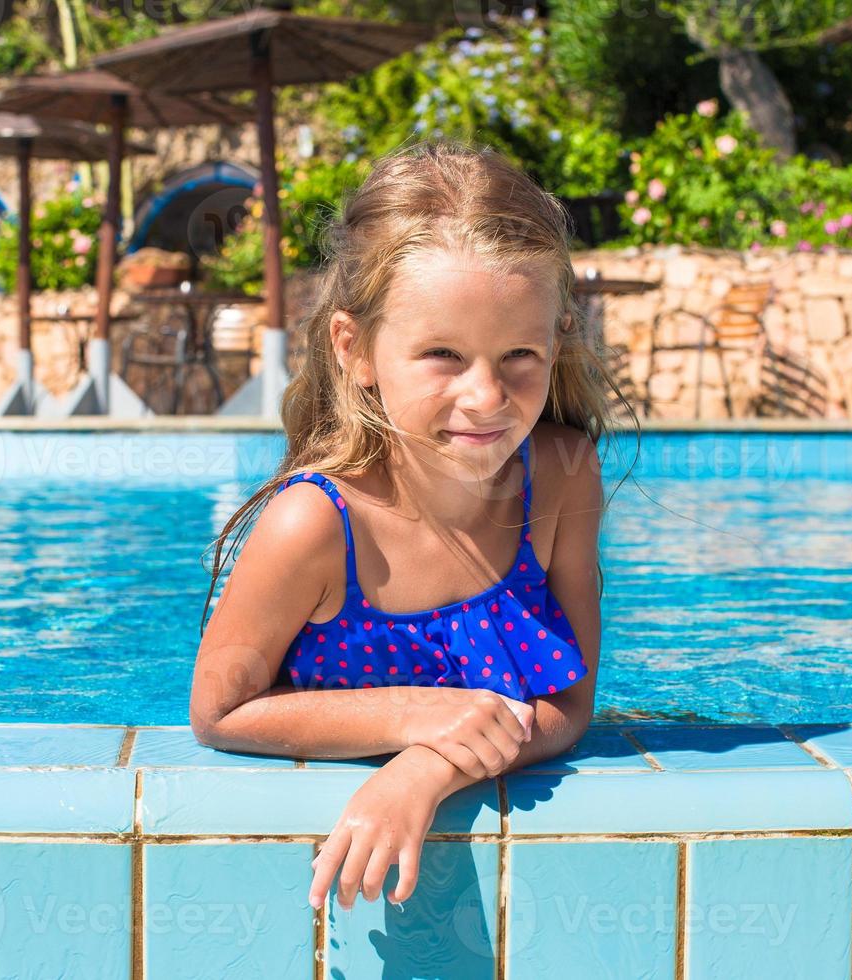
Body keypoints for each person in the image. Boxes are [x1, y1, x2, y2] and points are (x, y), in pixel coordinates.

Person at [189, 137, 629, 915]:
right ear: (355, 349)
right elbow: (218, 711)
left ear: (557, 337)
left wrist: (426, 765)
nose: (487, 396)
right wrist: (417, 712)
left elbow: (571, 705)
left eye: (519, 353)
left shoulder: (560, 476)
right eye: (442, 355)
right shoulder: (316, 525)